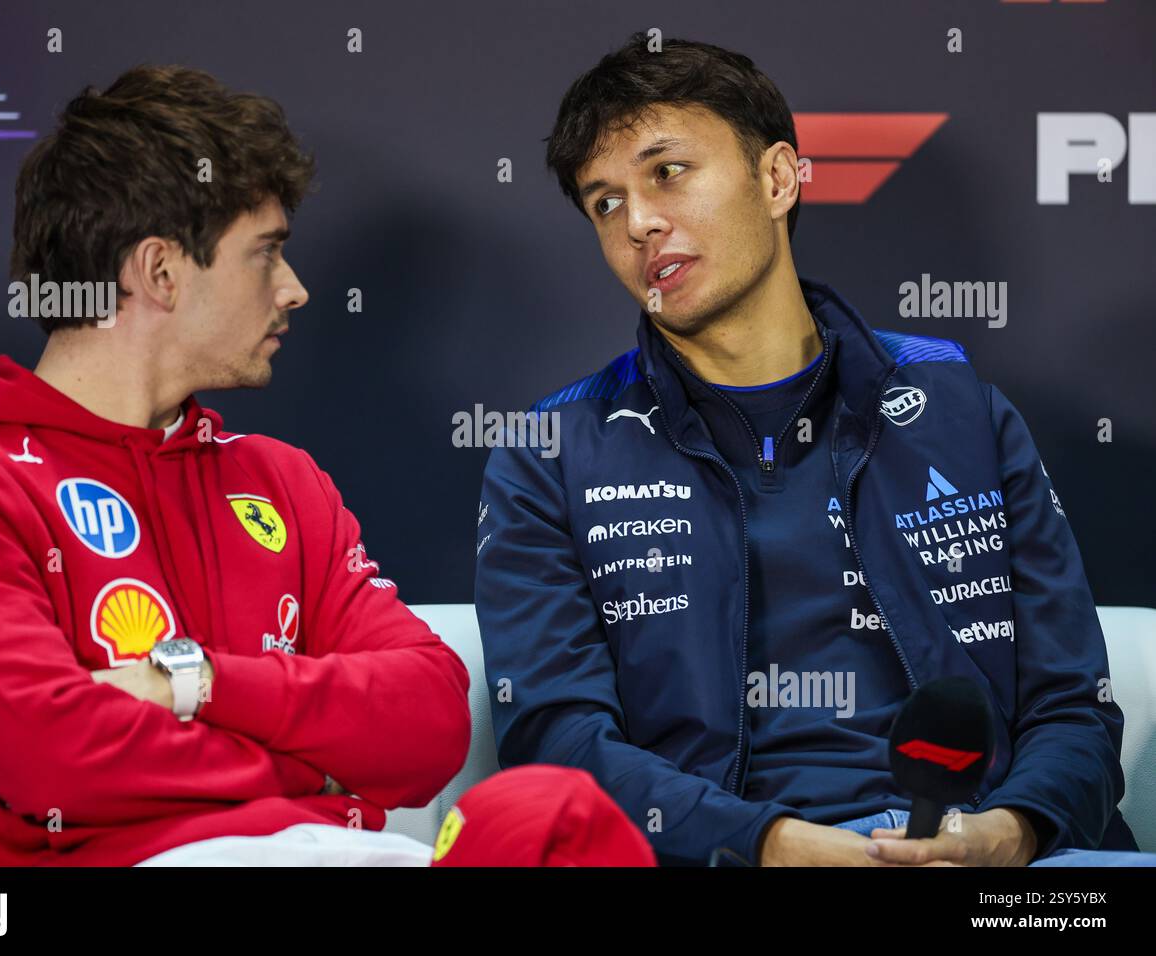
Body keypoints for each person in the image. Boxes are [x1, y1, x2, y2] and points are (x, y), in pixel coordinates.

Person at [0, 64, 650, 867]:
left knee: (557, 817)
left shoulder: (277, 478)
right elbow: (50, 756)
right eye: (266, 255)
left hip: (328, 855)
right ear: (160, 272)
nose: (296, 289)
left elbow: (434, 719)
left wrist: (194, 685)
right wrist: (317, 775)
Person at [474, 33, 1154, 867]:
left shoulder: (958, 409)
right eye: (605, 203)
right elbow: (559, 745)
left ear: (777, 178)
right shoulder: (551, 453)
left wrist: (1004, 836)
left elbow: (1073, 710)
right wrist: (771, 845)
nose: (641, 221)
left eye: (667, 171)